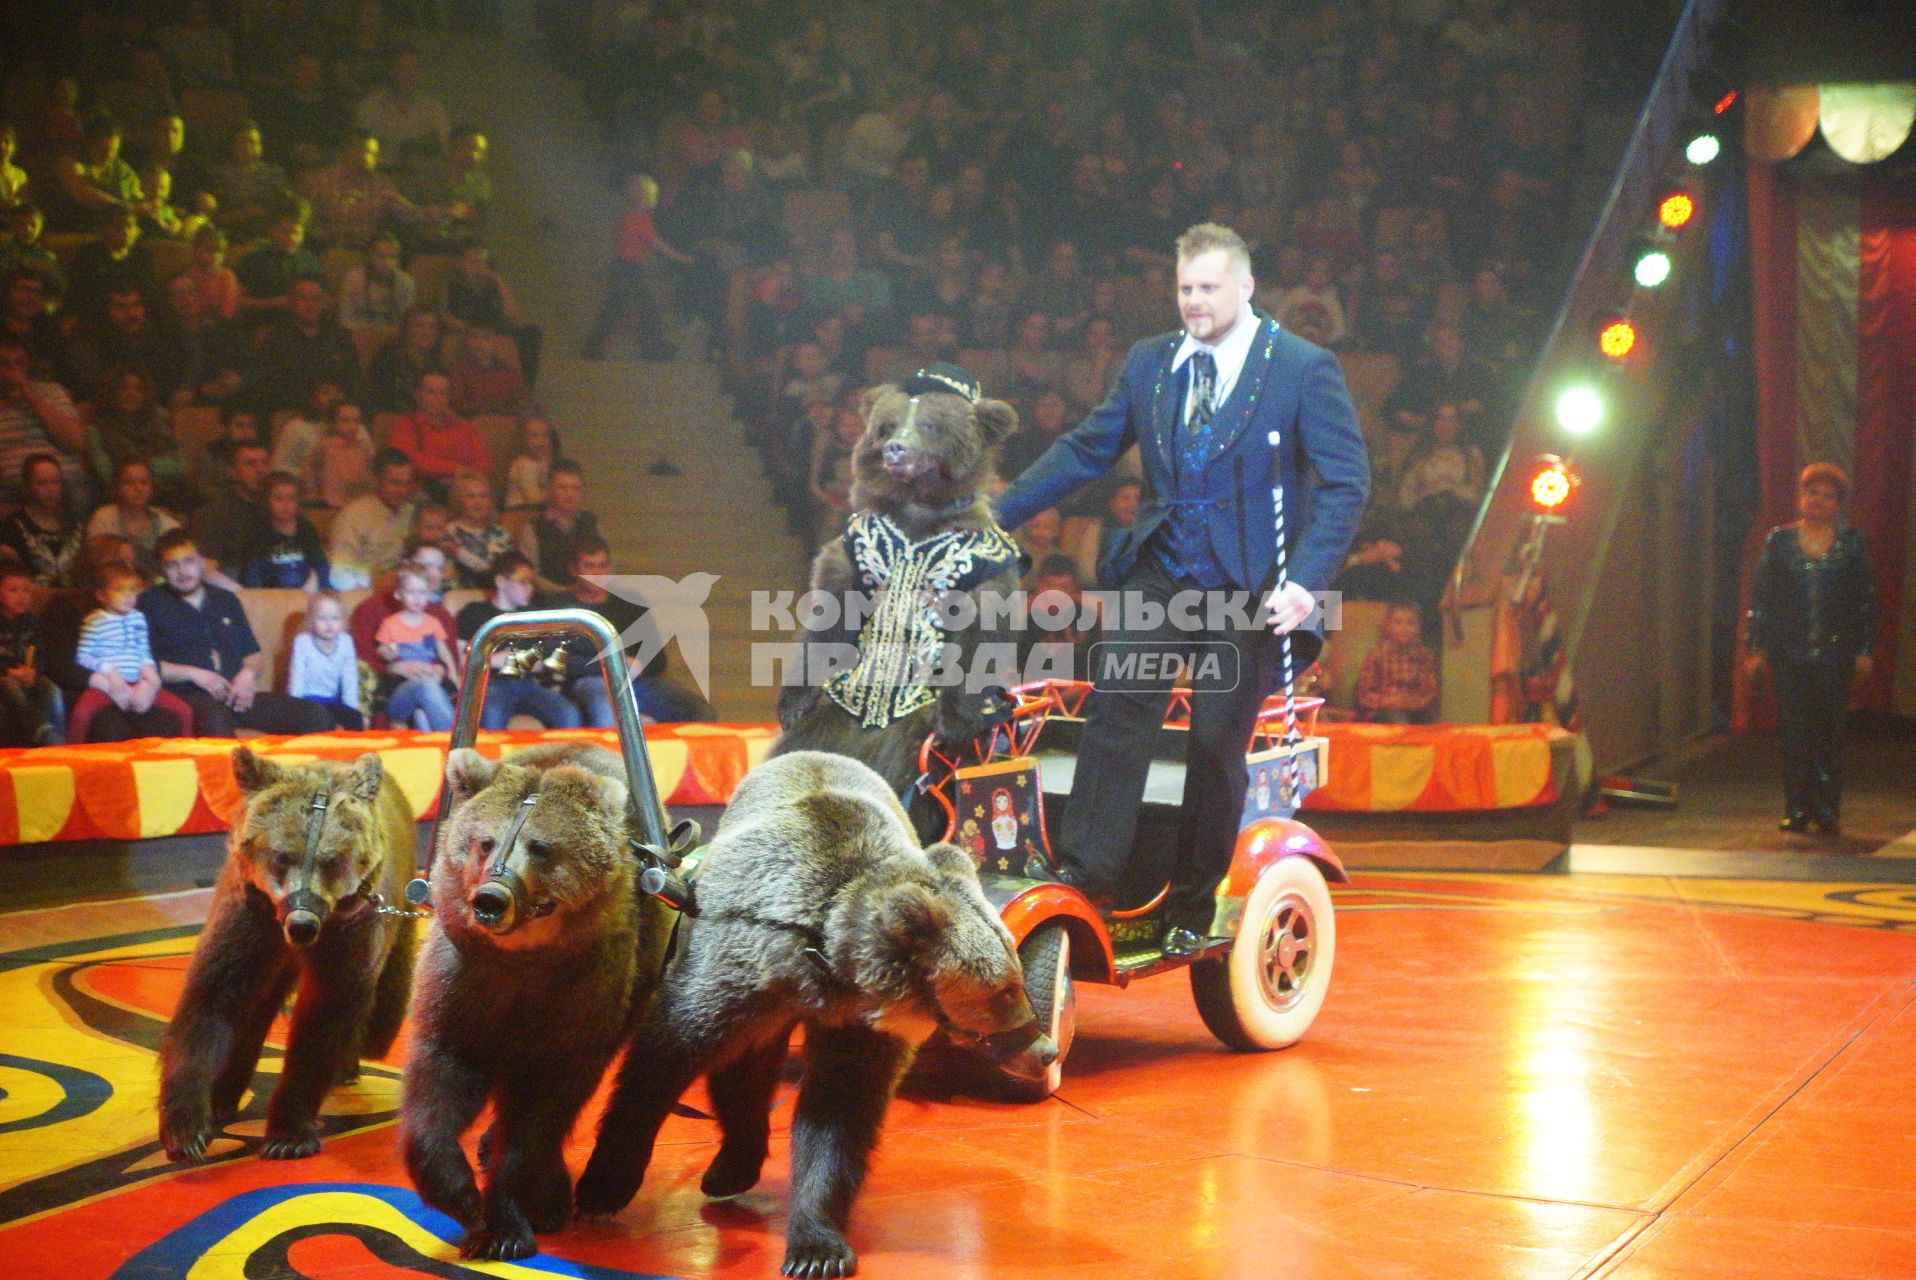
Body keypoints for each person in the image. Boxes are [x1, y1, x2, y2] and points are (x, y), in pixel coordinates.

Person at [993, 223, 1369, 956]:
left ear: (1246, 286)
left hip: (1253, 588)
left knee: (1213, 737)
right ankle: (1087, 872)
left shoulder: (1301, 367)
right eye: (1185, 289)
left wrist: (1304, 581)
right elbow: (1086, 450)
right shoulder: (1151, 363)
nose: (1194, 302)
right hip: (1162, 570)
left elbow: (1347, 483)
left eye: (1208, 288)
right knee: (1118, 707)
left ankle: (1194, 904)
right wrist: (993, 513)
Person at [1745, 463, 1877, 835]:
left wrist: (1865, 649)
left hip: (1836, 656)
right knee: (1794, 731)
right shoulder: (1780, 541)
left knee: (1829, 732)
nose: (1818, 501)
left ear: (1838, 504)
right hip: (1790, 654)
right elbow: (1762, 598)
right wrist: (1755, 647)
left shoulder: (1852, 544)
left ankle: (1827, 809)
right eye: (1811, 493)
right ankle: (1797, 808)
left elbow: (1865, 602)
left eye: (1827, 495)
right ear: (1801, 497)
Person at [142, 530, 332, 737]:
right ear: (162, 570)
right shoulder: (148, 604)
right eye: (172, 565)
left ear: (201, 562)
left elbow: (253, 654)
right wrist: (194, 674)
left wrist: (246, 676)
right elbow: (143, 665)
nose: (182, 571)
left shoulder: (226, 600)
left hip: (236, 694)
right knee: (215, 719)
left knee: (315, 715)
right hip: (188, 697)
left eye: (188, 561)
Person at [544, 536, 714, 724]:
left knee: (702, 710)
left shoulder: (629, 603)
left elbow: (658, 659)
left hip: (636, 680)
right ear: (574, 570)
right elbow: (553, 658)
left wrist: (637, 665)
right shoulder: (558, 606)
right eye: (590, 566)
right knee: (605, 709)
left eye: (603, 566)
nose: (598, 573)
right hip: (589, 682)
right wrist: (614, 665)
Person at [454, 551, 579, 730]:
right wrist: (507, 659)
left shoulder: (535, 615)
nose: (530, 588)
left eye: (531, 583)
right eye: (522, 582)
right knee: (492, 713)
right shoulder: (474, 613)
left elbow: (542, 662)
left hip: (529, 685)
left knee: (568, 713)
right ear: (501, 582)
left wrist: (496, 658)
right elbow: (462, 659)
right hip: (489, 684)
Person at [72, 563, 192, 742]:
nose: (128, 596)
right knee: (81, 714)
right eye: (120, 590)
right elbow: (82, 656)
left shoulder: (139, 618)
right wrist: (108, 671)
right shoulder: (95, 621)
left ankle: (188, 752)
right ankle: (72, 753)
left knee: (183, 710)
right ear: (102, 595)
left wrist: (149, 674)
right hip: (109, 685)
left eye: (132, 590)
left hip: (138, 682)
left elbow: (143, 650)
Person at [581, 173, 690, 362]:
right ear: (644, 197)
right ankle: (653, 347)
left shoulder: (627, 216)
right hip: (630, 269)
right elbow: (657, 244)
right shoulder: (641, 220)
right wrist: (681, 257)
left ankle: (596, 346)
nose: (655, 202)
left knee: (620, 308)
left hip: (622, 266)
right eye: (653, 197)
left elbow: (619, 240)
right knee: (637, 308)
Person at [376, 562, 459, 731]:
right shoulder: (390, 624)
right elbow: (383, 649)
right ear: (399, 595)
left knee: (424, 714)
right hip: (400, 688)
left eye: (422, 592)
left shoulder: (433, 622)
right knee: (426, 685)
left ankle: (434, 747)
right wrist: (387, 653)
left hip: (430, 678)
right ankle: (455, 740)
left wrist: (453, 673)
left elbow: (443, 651)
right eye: (411, 592)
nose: (417, 598)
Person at [386, 370, 489, 496]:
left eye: (443, 393)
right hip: (419, 493)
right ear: (417, 394)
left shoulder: (464, 426)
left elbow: (484, 462)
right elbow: (405, 460)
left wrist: (464, 478)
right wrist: (455, 469)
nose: (438, 398)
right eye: (431, 392)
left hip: (464, 491)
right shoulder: (405, 424)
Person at [330, 448, 417, 589]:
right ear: (376, 480)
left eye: (406, 484)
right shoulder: (354, 515)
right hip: (366, 593)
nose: (402, 490)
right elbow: (340, 574)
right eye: (395, 483)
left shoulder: (410, 511)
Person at [0, 563, 65, 745]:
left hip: (26, 674)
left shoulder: (32, 621)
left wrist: (34, 671)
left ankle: (59, 740)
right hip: (4, 676)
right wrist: (9, 672)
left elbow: (40, 653)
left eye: (26, 591)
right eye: (13, 590)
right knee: (11, 686)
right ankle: (41, 731)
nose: (22, 596)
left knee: (52, 691)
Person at [86, 457, 180, 575]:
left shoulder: (168, 523)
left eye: (144, 482)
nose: (138, 488)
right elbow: (91, 558)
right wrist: (114, 548)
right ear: (116, 487)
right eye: (129, 483)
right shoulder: (103, 517)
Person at [0, 453, 83, 587]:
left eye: (55, 482)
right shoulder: (14, 525)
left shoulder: (73, 523)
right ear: (26, 486)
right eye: (41, 483)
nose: (50, 489)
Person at [237, 471, 329, 589]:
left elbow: (320, 564)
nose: (285, 505)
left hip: (305, 592)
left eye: (291, 498)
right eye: (278, 498)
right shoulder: (258, 530)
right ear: (267, 501)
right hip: (271, 595)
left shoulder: (305, 528)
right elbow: (252, 572)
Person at [518, 459, 598, 592]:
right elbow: (529, 574)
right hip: (550, 602)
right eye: (563, 487)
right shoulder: (534, 528)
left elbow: (608, 565)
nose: (570, 494)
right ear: (549, 490)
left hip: (590, 597)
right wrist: (566, 592)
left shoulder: (592, 522)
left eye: (575, 488)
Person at [286, 589, 361, 729]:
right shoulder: (303, 642)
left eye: (335, 618)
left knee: (355, 718)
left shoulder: (346, 642)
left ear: (343, 621)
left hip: (333, 700)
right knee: (319, 720)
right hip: (307, 701)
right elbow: (297, 676)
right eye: (322, 618)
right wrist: (294, 707)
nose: (329, 624)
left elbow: (350, 677)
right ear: (311, 621)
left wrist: (352, 708)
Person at [1354, 603, 1438, 723]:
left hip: (1414, 707)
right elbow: (1363, 691)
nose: (1404, 628)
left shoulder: (1423, 656)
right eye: (1398, 623)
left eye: (1410, 623)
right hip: (1384, 708)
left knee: (1429, 721)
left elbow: (1429, 691)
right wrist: (1386, 701)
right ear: (1388, 627)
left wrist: (1407, 701)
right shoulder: (1377, 654)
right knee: (1397, 720)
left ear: (1418, 628)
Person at [446, 469, 511, 587]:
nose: (478, 502)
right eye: (471, 496)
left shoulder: (500, 533)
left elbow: (501, 572)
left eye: (483, 496)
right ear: (458, 500)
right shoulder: (449, 532)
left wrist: (460, 554)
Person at [303, 399, 375, 507]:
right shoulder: (324, 447)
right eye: (345, 421)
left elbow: (369, 477)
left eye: (356, 421)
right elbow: (309, 468)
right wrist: (312, 491)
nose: (352, 426)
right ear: (333, 423)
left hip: (357, 503)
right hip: (329, 504)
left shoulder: (362, 448)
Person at [503, 415, 556, 508]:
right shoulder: (523, 464)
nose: (541, 441)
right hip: (519, 514)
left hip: (538, 512)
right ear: (524, 439)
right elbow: (533, 500)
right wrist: (556, 492)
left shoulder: (545, 462)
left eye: (544, 435)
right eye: (534, 436)